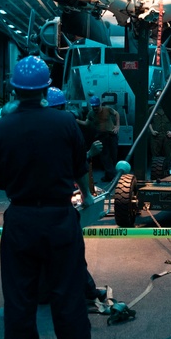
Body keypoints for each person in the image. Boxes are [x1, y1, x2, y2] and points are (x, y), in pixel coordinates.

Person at [0, 57, 101, 339]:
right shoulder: (65, 122)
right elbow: (80, 168)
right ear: (45, 88)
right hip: (59, 219)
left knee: (19, 301)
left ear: (15, 89)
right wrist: (89, 198)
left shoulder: (0, 128)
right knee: (68, 298)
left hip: (20, 220)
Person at [45, 87, 109, 312]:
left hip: (22, 211)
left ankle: (43, 295)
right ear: (62, 107)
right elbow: (76, 165)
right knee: (72, 254)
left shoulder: (12, 125)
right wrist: (87, 195)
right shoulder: (65, 125)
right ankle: (88, 292)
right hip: (57, 209)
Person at [90, 95, 120, 182]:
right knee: (105, 157)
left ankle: (109, 176)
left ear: (99, 104)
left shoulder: (107, 109)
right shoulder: (91, 113)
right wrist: (75, 120)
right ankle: (113, 177)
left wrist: (117, 126)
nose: (95, 108)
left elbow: (116, 113)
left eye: (96, 106)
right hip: (101, 137)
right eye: (93, 106)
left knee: (113, 156)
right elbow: (87, 123)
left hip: (111, 135)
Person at [148, 90, 171, 165]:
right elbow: (148, 122)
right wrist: (152, 131)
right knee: (155, 157)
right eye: (157, 97)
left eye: (161, 96)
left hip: (167, 136)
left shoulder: (169, 109)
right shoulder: (151, 109)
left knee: (167, 156)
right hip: (156, 137)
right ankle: (156, 174)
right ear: (155, 98)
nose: (159, 98)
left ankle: (166, 172)